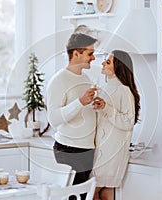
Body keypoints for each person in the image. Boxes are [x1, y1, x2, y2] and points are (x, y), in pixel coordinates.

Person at [46, 33, 106, 198]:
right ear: (76, 54)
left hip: (87, 149)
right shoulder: (58, 80)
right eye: (90, 53)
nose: (93, 58)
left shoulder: (86, 78)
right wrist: (80, 102)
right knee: (71, 197)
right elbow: (54, 119)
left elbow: (82, 112)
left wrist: (95, 105)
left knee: (81, 197)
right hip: (68, 149)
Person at [90, 50, 141, 200]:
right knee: (105, 192)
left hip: (111, 152)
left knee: (92, 190)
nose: (102, 63)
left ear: (119, 67)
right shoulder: (106, 88)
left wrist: (106, 107)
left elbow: (128, 122)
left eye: (108, 62)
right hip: (103, 149)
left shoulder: (124, 90)